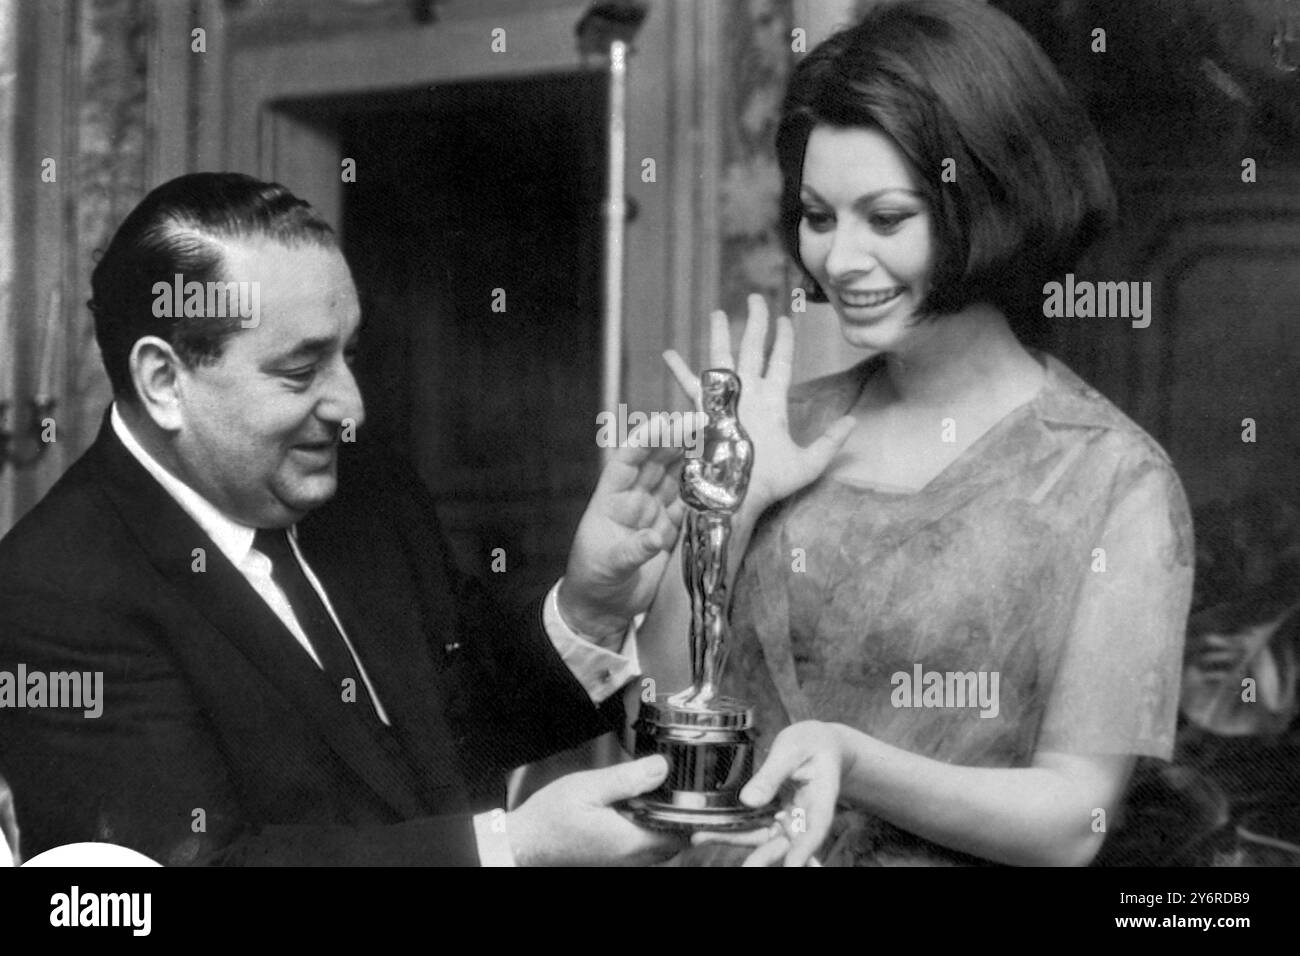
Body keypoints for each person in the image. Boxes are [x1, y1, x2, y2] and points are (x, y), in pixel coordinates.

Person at [0, 172, 690, 866]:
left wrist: (588, 607)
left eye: (348, 354)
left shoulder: (368, 490)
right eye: (301, 372)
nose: (351, 407)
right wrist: (507, 849)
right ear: (164, 382)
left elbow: (465, 723)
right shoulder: (53, 591)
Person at [644, 0, 1194, 866]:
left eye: (886, 218)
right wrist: (725, 519)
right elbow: (665, 726)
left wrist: (853, 761)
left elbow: (1072, 822)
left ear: (991, 199)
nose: (840, 259)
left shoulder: (1113, 479)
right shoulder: (777, 429)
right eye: (819, 218)